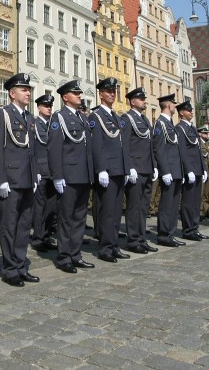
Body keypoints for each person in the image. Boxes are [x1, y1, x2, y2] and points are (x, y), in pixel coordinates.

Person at [0, 73, 40, 286]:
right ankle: (10, 268)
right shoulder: (3, 114)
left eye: (28, 89)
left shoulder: (29, 118)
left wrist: (35, 173)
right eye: (23, 89)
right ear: (12, 93)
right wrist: (0, 179)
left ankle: (21, 265)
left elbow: (33, 150)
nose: (27, 93)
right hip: (11, 179)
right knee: (9, 225)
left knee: (23, 225)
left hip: (27, 179)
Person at [48, 80, 95, 273]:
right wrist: (57, 176)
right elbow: (54, 149)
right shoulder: (59, 118)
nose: (80, 96)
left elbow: (88, 149)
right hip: (68, 176)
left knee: (79, 218)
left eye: (79, 93)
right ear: (65, 97)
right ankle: (64, 256)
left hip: (83, 175)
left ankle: (75, 254)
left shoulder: (83, 118)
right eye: (75, 94)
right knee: (66, 218)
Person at [89, 77, 131, 262]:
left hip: (119, 169)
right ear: (101, 94)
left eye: (114, 91)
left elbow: (122, 145)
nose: (112, 94)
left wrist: (127, 168)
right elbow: (97, 145)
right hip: (108, 170)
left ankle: (114, 245)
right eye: (108, 91)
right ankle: (105, 248)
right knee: (107, 212)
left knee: (116, 212)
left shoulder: (115, 116)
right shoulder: (96, 116)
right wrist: (102, 169)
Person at [120, 88, 158, 254]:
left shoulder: (144, 119)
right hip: (136, 169)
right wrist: (129, 168)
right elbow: (125, 145)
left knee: (143, 207)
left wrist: (154, 165)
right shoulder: (127, 119)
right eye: (140, 99)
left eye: (143, 98)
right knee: (134, 207)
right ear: (132, 101)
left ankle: (142, 239)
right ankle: (133, 240)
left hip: (147, 168)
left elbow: (150, 146)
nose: (144, 101)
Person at [152, 94, 185, 247]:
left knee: (173, 205)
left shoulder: (170, 124)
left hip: (176, 170)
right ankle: (164, 235)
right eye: (173, 103)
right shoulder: (160, 124)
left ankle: (171, 233)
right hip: (169, 171)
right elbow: (159, 150)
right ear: (168, 106)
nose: (175, 106)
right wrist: (165, 171)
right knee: (166, 205)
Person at [174, 101, 208, 241]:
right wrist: (188, 170)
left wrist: (204, 168)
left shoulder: (192, 128)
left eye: (191, 110)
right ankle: (188, 230)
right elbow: (182, 151)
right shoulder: (180, 128)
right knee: (188, 202)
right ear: (181, 112)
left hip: (198, 169)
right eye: (188, 110)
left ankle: (195, 227)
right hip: (190, 171)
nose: (191, 112)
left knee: (196, 201)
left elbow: (198, 150)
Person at [31, 94, 58, 253]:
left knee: (51, 207)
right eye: (46, 106)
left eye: (50, 106)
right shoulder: (35, 125)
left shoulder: (53, 125)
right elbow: (34, 149)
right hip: (41, 169)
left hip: (53, 171)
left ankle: (47, 235)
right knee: (39, 206)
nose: (49, 108)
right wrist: (35, 171)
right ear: (39, 108)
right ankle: (38, 238)